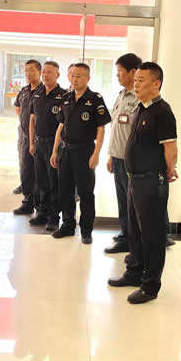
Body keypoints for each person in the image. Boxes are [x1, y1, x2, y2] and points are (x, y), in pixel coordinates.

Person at [107, 62, 178, 304]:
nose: (136, 84)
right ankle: (134, 272)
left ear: (156, 84)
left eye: (141, 80)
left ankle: (150, 285)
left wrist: (169, 169)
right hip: (135, 180)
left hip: (151, 181)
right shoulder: (141, 108)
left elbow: (171, 149)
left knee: (152, 236)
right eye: (135, 80)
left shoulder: (162, 111)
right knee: (135, 231)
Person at [50, 63, 110, 244]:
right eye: (72, 76)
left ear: (87, 78)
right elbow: (60, 127)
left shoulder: (95, 99)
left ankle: (86, 230)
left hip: (84, 152)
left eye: (78, 76)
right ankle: (68, 225)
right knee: (65, 191)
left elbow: (101, 128)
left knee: (85, 192)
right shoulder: (66, 98)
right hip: (65, 151)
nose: (74, 79)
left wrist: (96, 154)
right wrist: (55, 151)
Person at [105, 53, 141, 254]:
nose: (117, 75)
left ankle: (130, 239)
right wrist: (111, 155)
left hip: (131, 160)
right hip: (118, 156)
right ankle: (125, 233)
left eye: (120, 71)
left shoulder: (139, 98)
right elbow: (117, 128)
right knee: (122, 199)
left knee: (131, 201)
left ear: (133, 72)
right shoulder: (121, 95)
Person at [29, 61, 66, 231]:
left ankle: (53, 217)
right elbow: (32, 119)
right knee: (41, 181)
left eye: (50, 72)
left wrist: (56, 149)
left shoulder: (64, 96)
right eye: (44, 72)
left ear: (57, 75)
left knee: (54, 183)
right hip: (39, 143)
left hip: (54, 144)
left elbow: (63, 125)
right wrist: (31, 142)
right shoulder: (37, 94)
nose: (45, 75)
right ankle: (42, 213)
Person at [13, 59, 42, 215]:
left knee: (38, 172)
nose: (28, 73)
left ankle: (40, 205)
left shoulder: (44, 91)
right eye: (26, 70)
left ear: (39, 72)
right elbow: (18, 108)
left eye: (31, 70)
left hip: (40, 138)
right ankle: (27, 202)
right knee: (26, 170)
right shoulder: (24, 90)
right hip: (24, 136)